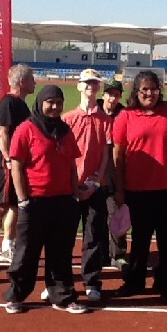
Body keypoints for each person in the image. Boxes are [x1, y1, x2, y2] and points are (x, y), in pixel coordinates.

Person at [113, 70, 167, 302]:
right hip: (138, 189)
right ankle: (135, 280)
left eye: (153, 89)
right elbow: (118, 156)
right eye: (144, 90)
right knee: (140, 239)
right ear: (136, 92)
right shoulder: (125, 116)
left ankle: (165, 281)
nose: (149, 93)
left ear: (160, 90)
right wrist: (120, 188)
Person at [3, 85, 88, 314]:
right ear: (40, 103)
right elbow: (17, 166)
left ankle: (63, 296)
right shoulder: (26, 129)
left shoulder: (65, 131)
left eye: (59, 103)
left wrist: (74, 193)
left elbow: (71, 165)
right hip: (34, 202)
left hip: (63, 202)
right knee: (26, 254)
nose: (54, 107)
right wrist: (22, 199)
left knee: (60, 254)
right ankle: (16, 295)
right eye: (50, 102)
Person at [61, 69, 112, 302]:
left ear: (98, 88)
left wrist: (96, 181)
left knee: (93, 238)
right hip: (70, 187)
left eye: (94, 83)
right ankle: (61, 281)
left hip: (94, 188)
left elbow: (105, 155)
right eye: (86, 83)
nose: (90, 87)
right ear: (79, 86)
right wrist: (73, 183)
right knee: (64, 238)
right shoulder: (67, 119)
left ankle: (91, 282)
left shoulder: (106, 121)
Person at [0, 64, 36, 267]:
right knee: (2, 206)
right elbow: (2, 131)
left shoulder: (21, 104)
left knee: (15, 206)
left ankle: (7, 245)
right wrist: (9, 158)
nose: (35, 82)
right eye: (32, 79)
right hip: (7, 165)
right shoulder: (8, 103)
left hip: (17, 164)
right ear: (23, 82)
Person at [98, 79, 128, 271]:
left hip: (115, 171)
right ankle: (100, 252)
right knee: (96, 217)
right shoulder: (96, 112)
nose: (112, 98)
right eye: (109, 94)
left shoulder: (124, 115)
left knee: (115, 214)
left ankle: (118, 253)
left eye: (116, 94)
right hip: (95, 172)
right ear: (104, 95)